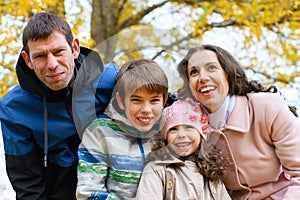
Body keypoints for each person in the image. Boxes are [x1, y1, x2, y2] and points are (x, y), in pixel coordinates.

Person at [0, 12, 119, 200]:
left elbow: (163, 109)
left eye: (58, 52)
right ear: (27, 60)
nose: (52, 64)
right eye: (40, 56)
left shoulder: (111, 80)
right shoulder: (13, 109)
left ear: (75, 48)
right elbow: (28, 186)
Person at [176, 44, 300, 199]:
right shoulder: (189, 126)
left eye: (211, 68)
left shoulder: (267, 106)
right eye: (194, 72)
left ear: (228, 73)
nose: (202, 78)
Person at [76, 59, 169, 199]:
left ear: (164, 99)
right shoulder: (99, 132)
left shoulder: (168, 130)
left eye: (154, 100)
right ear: (120, 100)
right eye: (136, 100)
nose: (146, 110)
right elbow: (88, 192)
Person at [136, 99, 231, 200]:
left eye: (189, 127)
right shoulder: (157, 170)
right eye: (173, 129)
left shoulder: (211, 172)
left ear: (201, 134)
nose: (181, 135)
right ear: (165, 137)